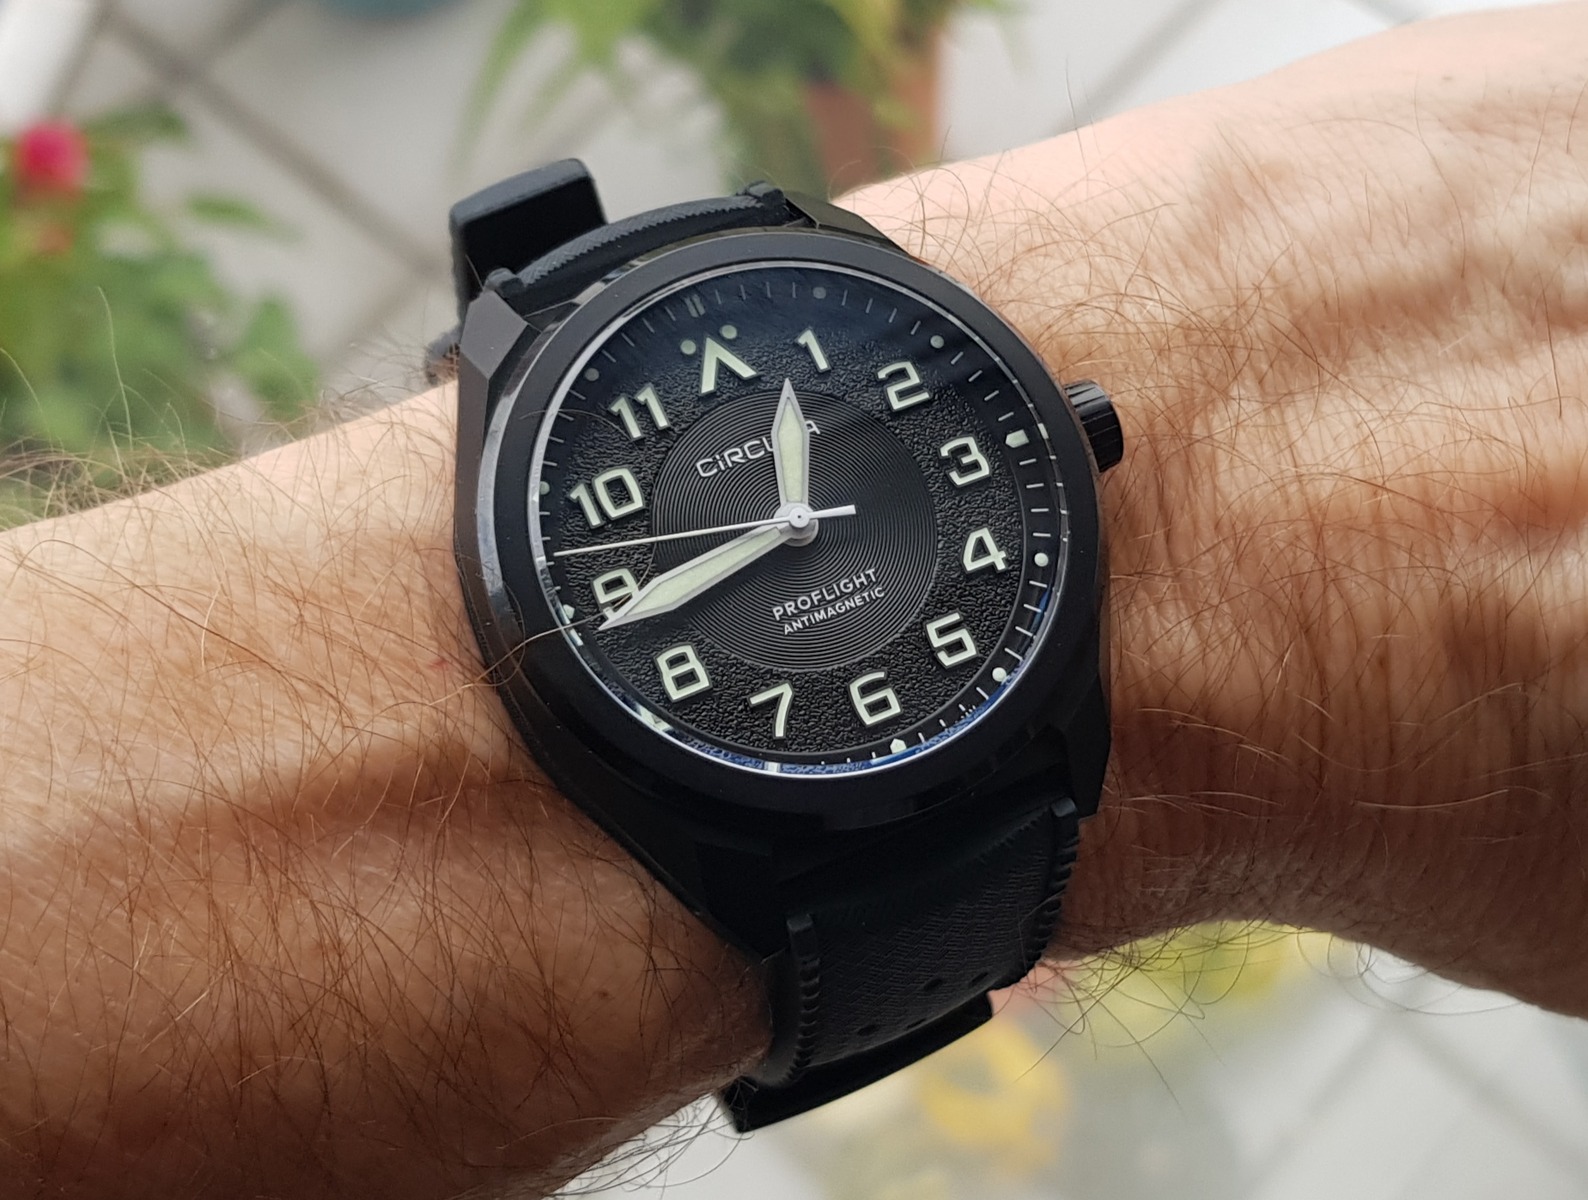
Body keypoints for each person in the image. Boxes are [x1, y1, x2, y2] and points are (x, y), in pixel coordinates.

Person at [2, 4, 1586, 1197]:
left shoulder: (985, 522)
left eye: (799, 509)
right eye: (786, 516)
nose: (799, 522)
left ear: (1072, 430)